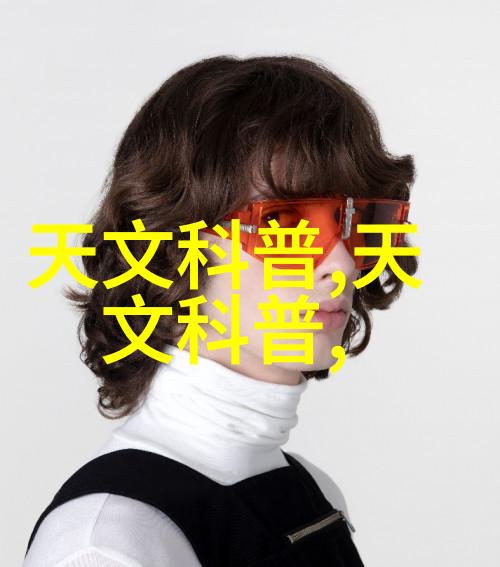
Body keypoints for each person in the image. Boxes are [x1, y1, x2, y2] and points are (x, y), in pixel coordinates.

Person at [24, 54, 418, 566]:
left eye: (358, 223)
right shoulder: (109, 542)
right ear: (170, 244)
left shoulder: (312, 492)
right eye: (285, 225)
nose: (341, 263)